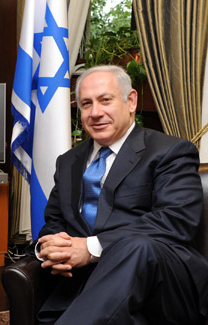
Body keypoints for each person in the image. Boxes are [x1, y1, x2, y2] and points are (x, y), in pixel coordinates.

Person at [32, 65, 208, 324]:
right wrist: (48, 248)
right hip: (85, 286)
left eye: (105, 100)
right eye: (86, 104)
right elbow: (55, 221)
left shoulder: (170, 152)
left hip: (165, 286)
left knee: (136, 245)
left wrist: (90, 248)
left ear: (131, 101)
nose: (96, 113)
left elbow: (175, 221)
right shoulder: (69, 161)